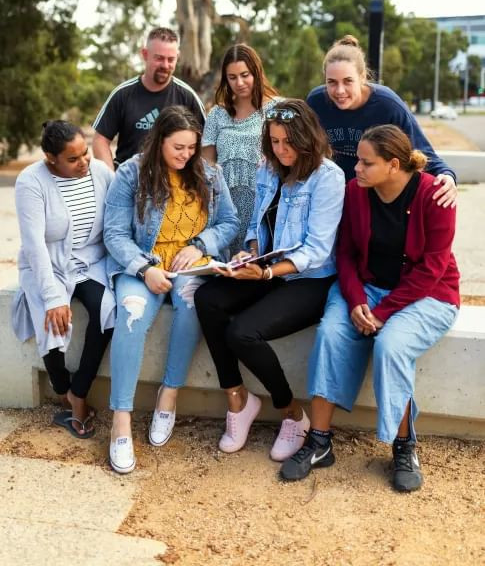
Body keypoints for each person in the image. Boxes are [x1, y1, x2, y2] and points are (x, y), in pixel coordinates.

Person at [280, 125, 460, 492]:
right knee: (331, 334)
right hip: (365, 289)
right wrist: (357, 300)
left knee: (391, 345)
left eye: (366, 163)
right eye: (358, 161)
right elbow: (345, 252)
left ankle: (404, 446)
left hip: (428, 294)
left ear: (394, 165)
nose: (357, 168)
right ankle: (319, 441)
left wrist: (383, 312)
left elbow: (432, 269)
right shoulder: (355, 191)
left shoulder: (433, 196)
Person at [194, 99, 345, 462]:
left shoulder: (328, 177)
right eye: (274, 142)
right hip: (268, 267)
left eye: (288, 142)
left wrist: (265, 272)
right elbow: (255, 225)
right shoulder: (269, 168)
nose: (281, 150)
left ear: (307, 138)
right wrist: (250, 254)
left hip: (310, 279)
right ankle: (237, 400)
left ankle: (292, 413)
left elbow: (317, 250)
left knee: (242, 332)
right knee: (207, 299)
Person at [103, 106, 239, 474]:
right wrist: (144, 269)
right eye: (178, 147)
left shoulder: (209, 174)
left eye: (192, 147)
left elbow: (229, 222)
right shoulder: (131, 173)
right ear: (159, 140)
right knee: (131, 314)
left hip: (190, 265)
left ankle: (170, 393)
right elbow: (114, 233)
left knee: (192, 302)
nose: (186, 155)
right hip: (142, 263)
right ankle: (121, 419)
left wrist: (200, 244)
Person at [13, 121, 116, 438]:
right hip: (47, 263)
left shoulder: (101, 173)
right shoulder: (31, 181)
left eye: (85, 153)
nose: (83, 162)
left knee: (107, 312)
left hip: (90, 261)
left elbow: (117, 219)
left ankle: (78, 393)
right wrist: (53, 297)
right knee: (53, 320)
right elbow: (34, 245)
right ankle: (62, 389)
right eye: (72, 159)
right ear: (50, 158)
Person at [306, 35, 457, 207]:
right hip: (330, 195)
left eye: (348, 81)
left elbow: (422, 153)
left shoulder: (388, 106)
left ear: (362, 77)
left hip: (375, 199)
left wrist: (447, 176)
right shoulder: (316, 102)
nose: (340, 91)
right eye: (332, 82)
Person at [202, 43, 280, 252]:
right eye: (232, 77)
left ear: (256, 72)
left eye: (245, 75)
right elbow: (206, 166)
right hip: (224, 206)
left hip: (262, 204)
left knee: (255, 260)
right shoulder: (217, 114)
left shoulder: (275, 109)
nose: (240, 83)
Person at [92, 27, 206, 169]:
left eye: (171, 59)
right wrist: (111, 177)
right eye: (159, 58)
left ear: (178, 57)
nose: (165, 65)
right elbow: (100, 140)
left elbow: (207, 142)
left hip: (173, 179)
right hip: (129, 178)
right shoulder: (122, 94)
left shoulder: (188, 97)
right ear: (145, 54)